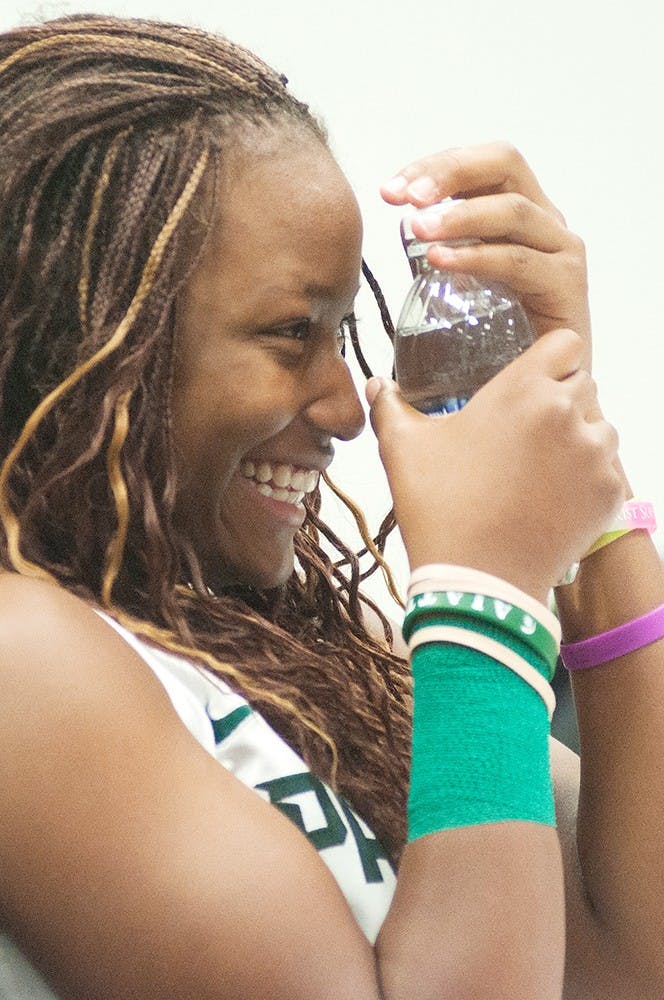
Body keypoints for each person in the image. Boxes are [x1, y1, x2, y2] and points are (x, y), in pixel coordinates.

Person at [0, 13, 662, 999]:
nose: (346, 407)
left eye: (341, 330)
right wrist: (484, 591)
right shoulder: (23, 663)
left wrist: (579, 493)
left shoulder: (308, 652)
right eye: (287, 331)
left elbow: (623, 966)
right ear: (82, 335)